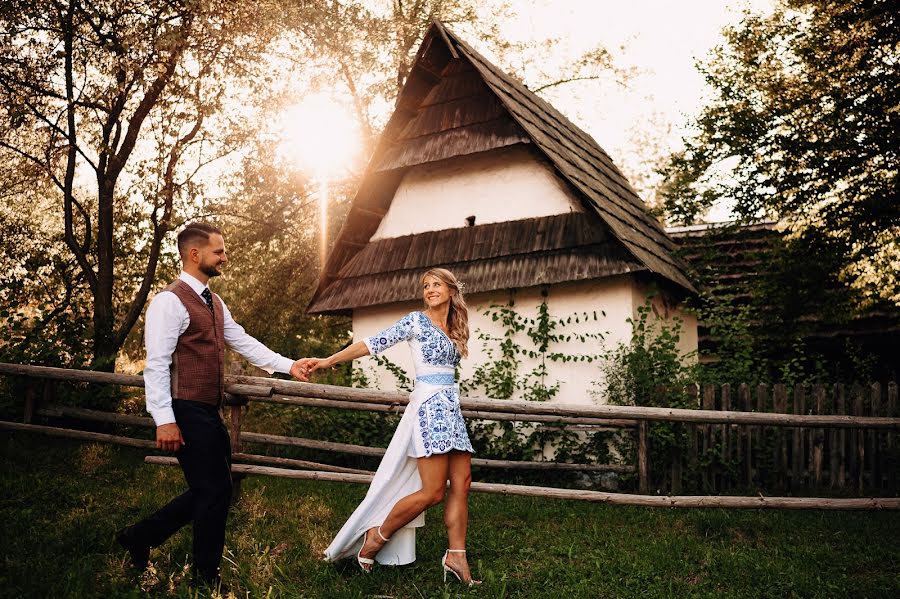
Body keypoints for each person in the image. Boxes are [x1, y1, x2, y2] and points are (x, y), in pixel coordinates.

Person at [116, 222, 309, 589]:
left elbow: (244, 342)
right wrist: (164, 420)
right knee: (215, 491)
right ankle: (205, 578)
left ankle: (139, 537)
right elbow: (156, 364)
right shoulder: (169, 301)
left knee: (212, 489)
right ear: (194, 254)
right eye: (218, 251)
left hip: (209, 410)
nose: (224, 256)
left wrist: (289, 365)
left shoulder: (214, 302)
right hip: (184, 408)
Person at [309, 268, 481, 585]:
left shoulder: (457, 327)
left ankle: (457, 556)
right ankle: (377, 536)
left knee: (463, 482)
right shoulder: (415, 321)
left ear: (451, 289)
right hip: (429, 410)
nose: (429, 289)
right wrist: (328, 361)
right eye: (425, 286)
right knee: (432, 492)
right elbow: (371, 343)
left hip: (451, 409)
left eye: (436, 284)